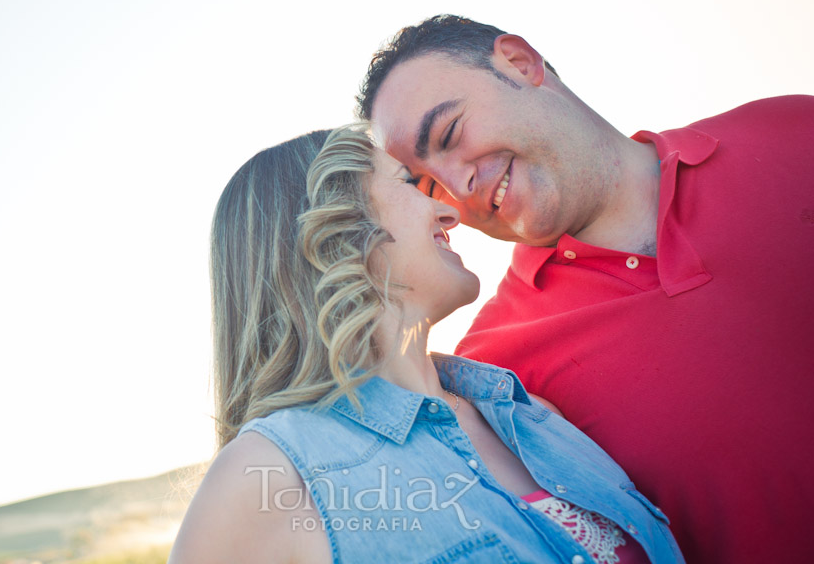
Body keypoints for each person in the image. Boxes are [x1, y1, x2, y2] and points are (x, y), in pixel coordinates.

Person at [356, 14, 814, 564]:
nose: (457, 189)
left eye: (450, 134)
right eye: (429, 184)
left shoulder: (793, 129)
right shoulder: (499, 376)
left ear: (520, 64)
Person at [169, 126, 684, 564]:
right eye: (408, 185)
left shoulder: (529, 415)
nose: (448, 213)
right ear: (337, 230)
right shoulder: (267, 477)